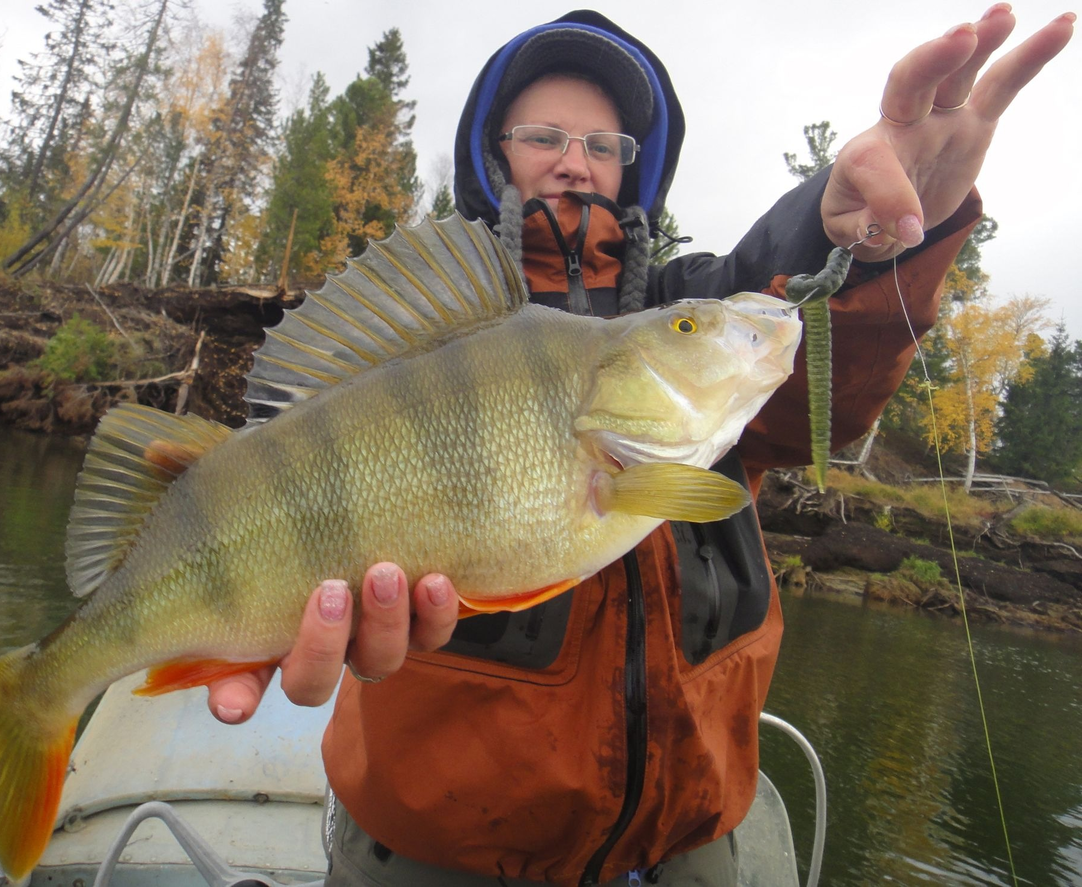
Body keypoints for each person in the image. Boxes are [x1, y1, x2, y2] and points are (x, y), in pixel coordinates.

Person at [206, 7, 1074, 885]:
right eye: (544, 134)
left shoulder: (686, 309)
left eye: (605, 144)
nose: (575, 159)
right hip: (441, 840)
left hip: (686, 831)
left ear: (635, 168)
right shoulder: (424, 335)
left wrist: (878, 235)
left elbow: (791, 326)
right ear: (494, 152)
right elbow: (297, 462)